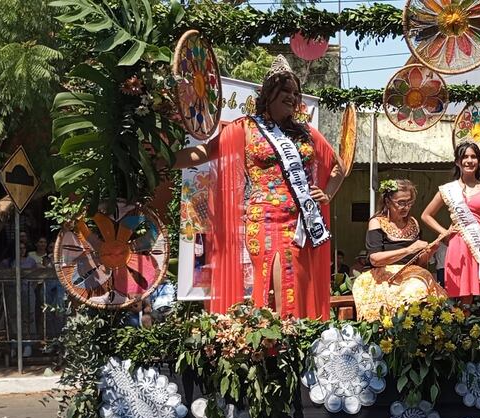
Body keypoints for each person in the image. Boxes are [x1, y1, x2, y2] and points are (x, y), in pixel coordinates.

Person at [173, 55, 345, 318]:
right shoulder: (248, 127)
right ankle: (272, 348)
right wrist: (162, 162)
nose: (292, 96)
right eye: (285, 90)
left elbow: (338, 167)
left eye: (295, 92)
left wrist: (328, 193)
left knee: (294, 286)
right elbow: (205, 153)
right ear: (269, 93)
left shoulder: (306, 132)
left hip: (300, 223)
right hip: (264, 220)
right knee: (274, 287)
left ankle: (290, 347)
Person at [421, 142, 480, 316]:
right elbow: (426, 215)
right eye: (465, 157)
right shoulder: (447, 190)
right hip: (459, 245)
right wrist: (444, 233)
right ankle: (463, 340)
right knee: (462, 300)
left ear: (479, 161)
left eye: (473, 156)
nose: (469, 160)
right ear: (457, 161)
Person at [351, 179, 445, 321]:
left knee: (424, 287)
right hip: (383, 276)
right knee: (415, 289)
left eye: (409, 202)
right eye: (401, 202)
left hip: (412, 274)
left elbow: (420, 265)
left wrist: (429, 252)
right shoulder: (377, 222)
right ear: (388, 202)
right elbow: (375, 259)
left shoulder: (414, 223)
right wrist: (408, 250)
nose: (406, 207)